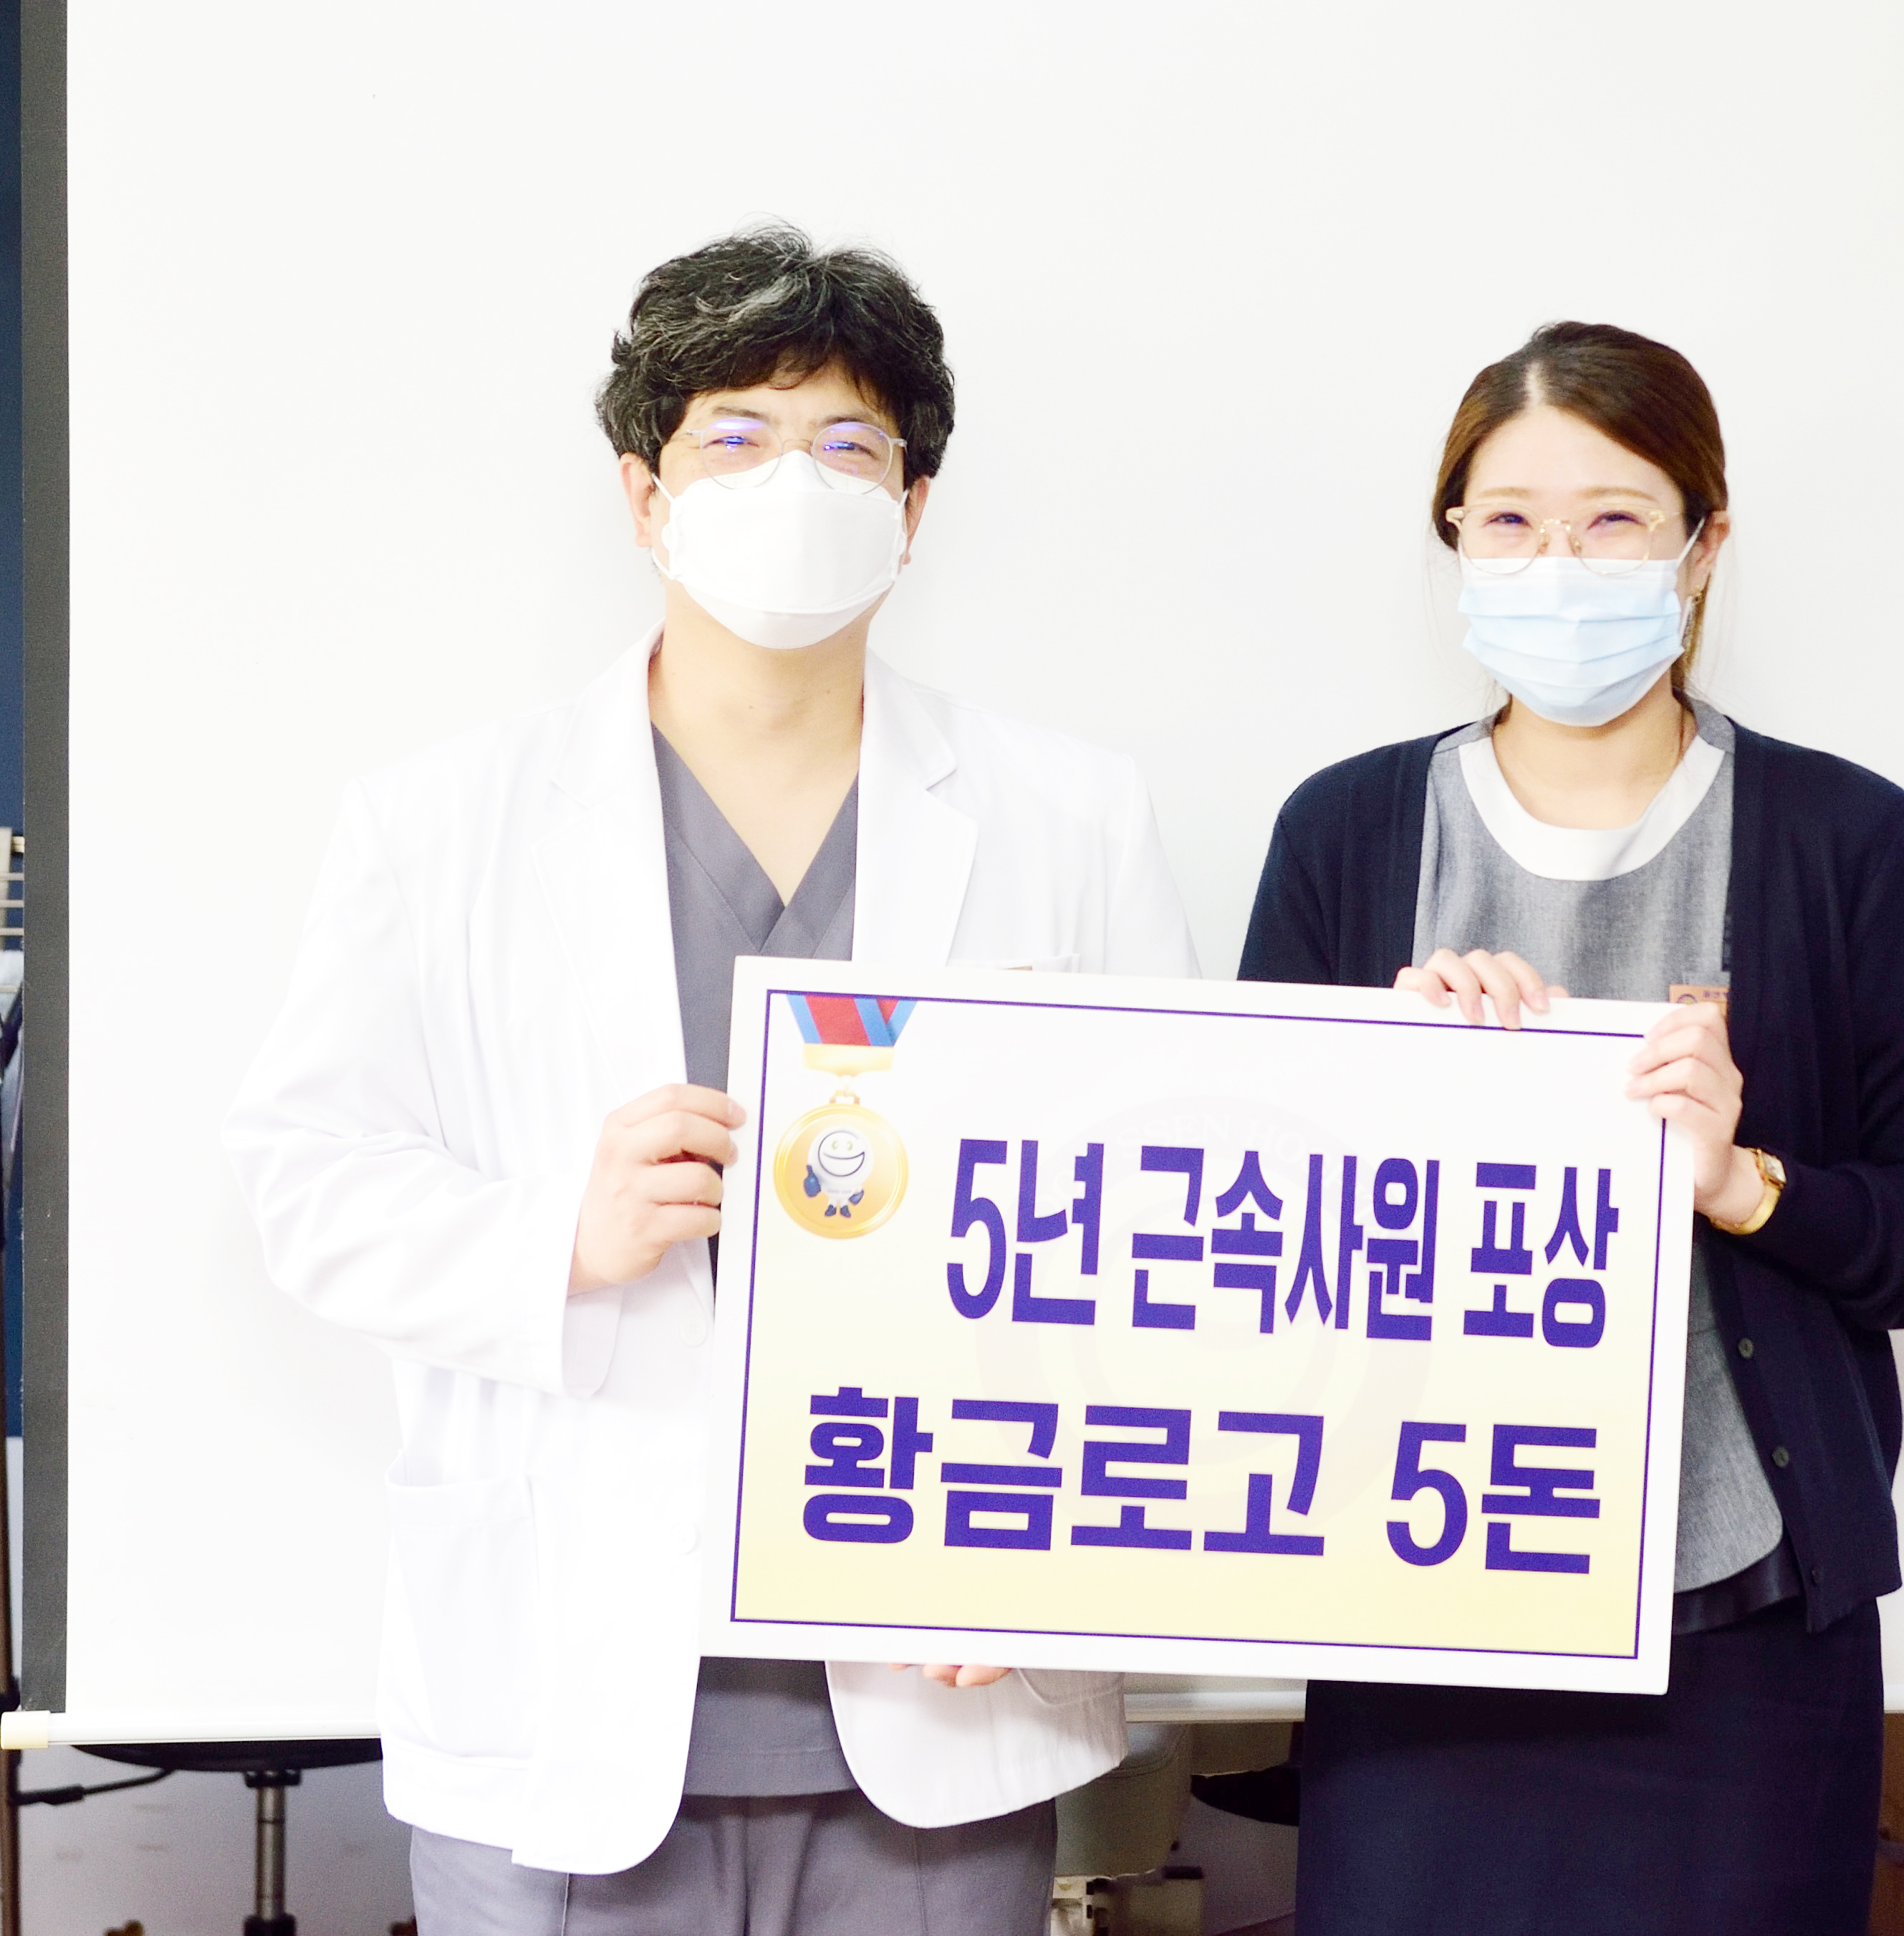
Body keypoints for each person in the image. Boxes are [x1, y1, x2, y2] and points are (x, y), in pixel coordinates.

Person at [226, 227, 1199, 1932]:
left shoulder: (1067, 816)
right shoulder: (441, 822)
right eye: (734, 438)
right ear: (643, 493)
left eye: (847, 445)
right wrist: (560, 1234)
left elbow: (1160, 1227)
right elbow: (305, 1182)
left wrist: (1058, 1544)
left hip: (935, 1709)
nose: (792, 484)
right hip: (565, 1698)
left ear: (913, 504)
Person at [1236, 321, 1904, 1933]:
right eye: (1509, 520)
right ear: (1454, 542)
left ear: (1701, 544)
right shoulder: (1346, 830)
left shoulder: (1844, 837)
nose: (1558, 562)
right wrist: (1386, 1090)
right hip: (1414, 1599)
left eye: (1613, 519)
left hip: (1740, 1628)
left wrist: (1745, 1183)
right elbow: (1241, 1235)